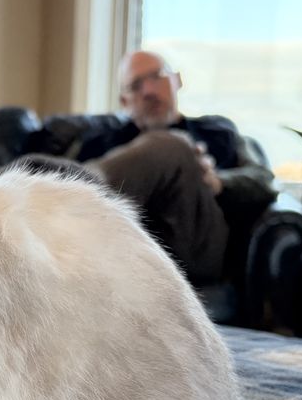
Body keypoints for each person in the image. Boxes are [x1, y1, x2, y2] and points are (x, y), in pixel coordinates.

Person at [23, 51, 277, 287]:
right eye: (135, 86)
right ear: (124, 101)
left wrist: (217, 182)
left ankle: (80, 187)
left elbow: (264, 179)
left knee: (172, 145)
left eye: (157, 77)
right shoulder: (100, 140)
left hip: (193, 245)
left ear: (177, 80)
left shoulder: (218, 131)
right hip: (118, 248)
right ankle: (61, 189)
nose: (148, 91)